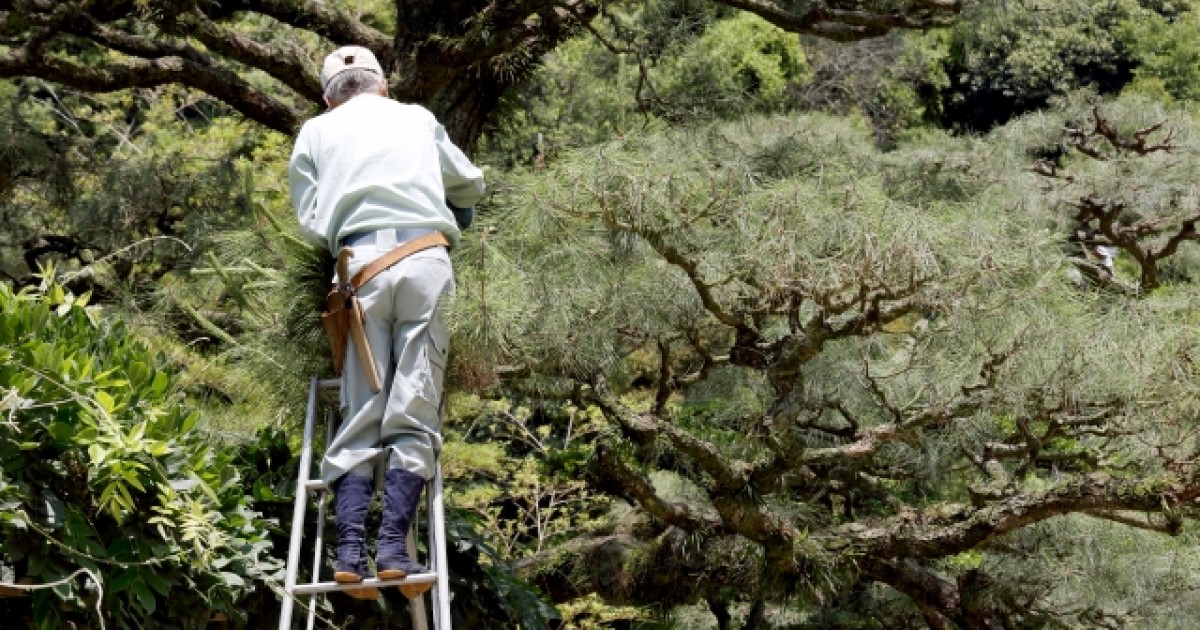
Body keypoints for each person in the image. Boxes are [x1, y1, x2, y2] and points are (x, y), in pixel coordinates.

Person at [288, 45, 485, 599]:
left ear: (329, 99)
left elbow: (311, 220)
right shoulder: (417, 119)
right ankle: (395, 550)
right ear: (383, 87)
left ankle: (349, 552)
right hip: (425, 261)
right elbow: (470, 184)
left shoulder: (315, 133)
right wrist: (453, 207)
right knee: (414, 404)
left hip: (358, 274)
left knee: (360, 408)